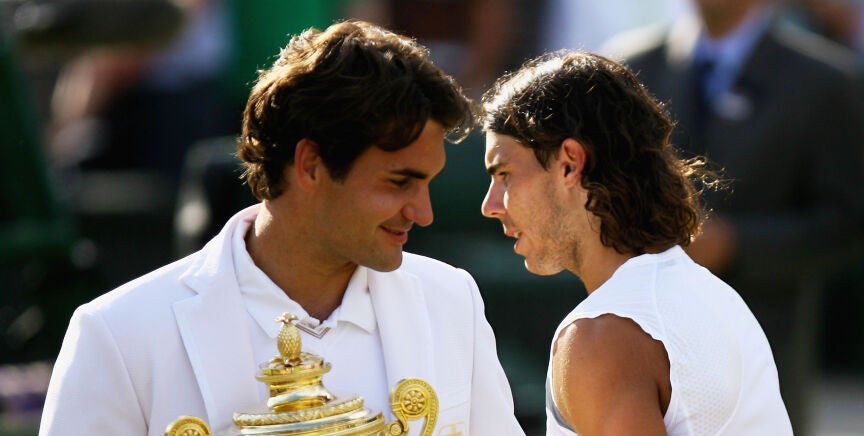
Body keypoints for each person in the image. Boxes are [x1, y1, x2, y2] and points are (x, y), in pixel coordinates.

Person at [39, 20, 524, 435]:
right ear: (310, 164)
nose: (423, 212)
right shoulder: (116, 334)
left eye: (427, 184)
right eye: (399, 182)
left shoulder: (452, 301)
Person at [480, 50, 792, 434]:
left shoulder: (601, 337)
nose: (490, 205)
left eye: (505, 174)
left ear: (570, 164)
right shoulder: (716, 297)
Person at [600, 0, 864, 432]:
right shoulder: (628, 66)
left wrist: (737, 244)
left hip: (764, 346)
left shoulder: (825, 79)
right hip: (640, 348)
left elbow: (847, 221)